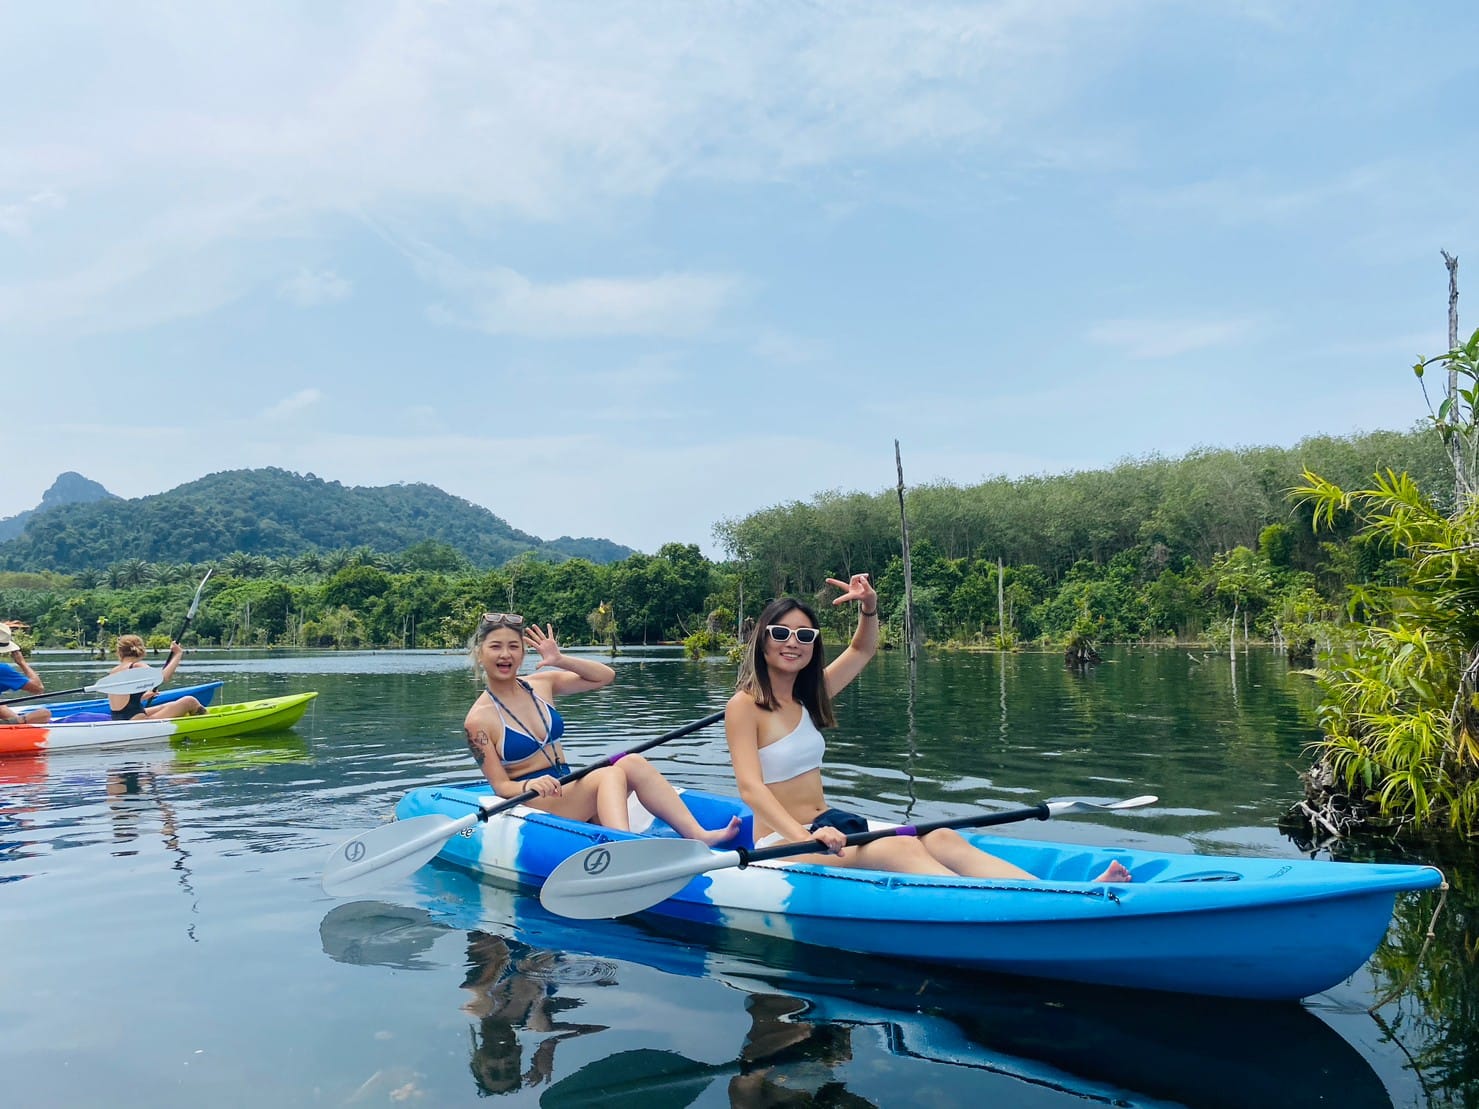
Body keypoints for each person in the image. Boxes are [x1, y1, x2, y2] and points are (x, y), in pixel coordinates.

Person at [724, 574, 1131, 882]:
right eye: (780, 633)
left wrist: (869, 607)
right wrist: (806, 836)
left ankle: (1052, 895)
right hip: (785, 842)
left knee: (941, 837)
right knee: (901, 848)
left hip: (833, 822)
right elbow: (751, 789)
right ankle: (1004, 908)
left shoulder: (811, 696)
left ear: (813, 644)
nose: (792, 642)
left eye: (804, 634)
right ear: (762, 640)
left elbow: (862, 650)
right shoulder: (744, 706)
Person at [464, 611, 740, 844]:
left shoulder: (541, 684)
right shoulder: (478, 720)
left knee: (632, 762)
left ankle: (698, 835)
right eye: (496, 646)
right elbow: (500, 785)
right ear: (480, 654)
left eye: (513, 646)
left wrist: (560, 660)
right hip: (537, 800)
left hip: (569, 787)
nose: (505, 654)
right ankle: (623, 845)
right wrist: (530, 783)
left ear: (523, 652)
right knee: (607, 776)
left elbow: (605, 677)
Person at [106, 635, 203, 721]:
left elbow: (123, 703)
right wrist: (177, 654)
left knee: (165, 706)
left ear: (119, 652)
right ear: (141, 650)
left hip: (120, 719)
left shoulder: (114, 671)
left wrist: (142, 697)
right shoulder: (137, 666)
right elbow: (164, 677)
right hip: (137, 722)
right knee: (189, 701)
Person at [0, 622, 50, 724]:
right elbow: (38, 688)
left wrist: (15, 718)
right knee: (44, 714)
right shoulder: (2, 670)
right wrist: (22, 663)